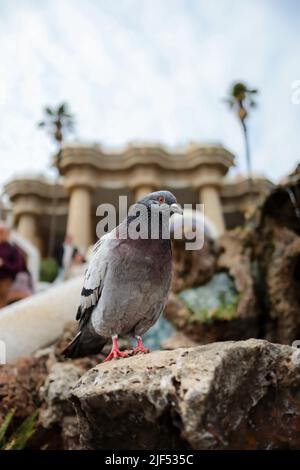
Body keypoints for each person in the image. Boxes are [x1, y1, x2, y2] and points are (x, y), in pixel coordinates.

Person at [0, 222, 23, 308]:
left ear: (7, 233)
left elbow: (18, 267)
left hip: (4, 282)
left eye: (2, 231)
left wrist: (4, 264)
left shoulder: (13, 249)